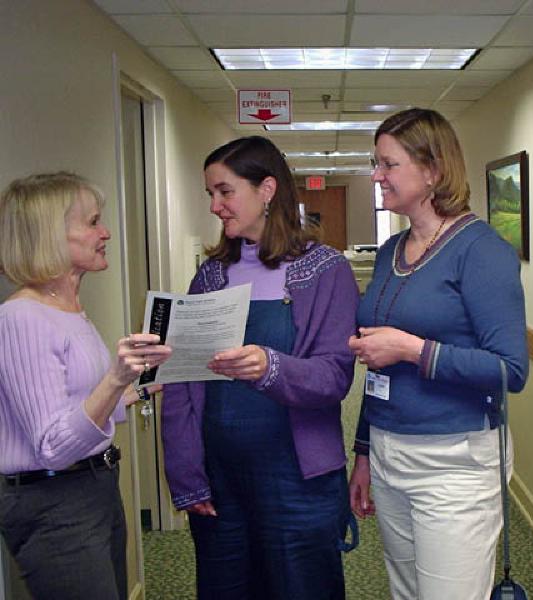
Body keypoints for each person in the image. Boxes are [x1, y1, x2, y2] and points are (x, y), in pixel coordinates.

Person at [161, 136, 360, 600]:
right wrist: (186, 475)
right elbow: (184, 385)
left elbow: (334, 377)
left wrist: (270, 367)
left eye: (225, 192)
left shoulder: (324, 270)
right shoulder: (210, 276)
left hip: (299, 480)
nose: (215, 206)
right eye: (210, 193)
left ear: (267, 189)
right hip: (220, 481)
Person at [348, 108, 529, 600]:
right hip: (388, 450)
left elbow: (508, 370)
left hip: (454, 464)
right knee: (406, 592)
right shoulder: (390, 251)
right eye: (375, 162)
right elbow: (375, 361)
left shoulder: (482, 251)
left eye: (388, 164)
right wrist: (364, 452)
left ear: (432, 171)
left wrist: (412, 350)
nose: (376, 175)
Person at [0, 172, 171, 600]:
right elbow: (53, 444)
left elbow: (80, 405)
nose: (105, 232)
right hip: (54, 499)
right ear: (49, 237)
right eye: (92, 222)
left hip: (94, 487)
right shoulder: (22, 318)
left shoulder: (68, 309)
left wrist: (142, 387)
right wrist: (115, 376)